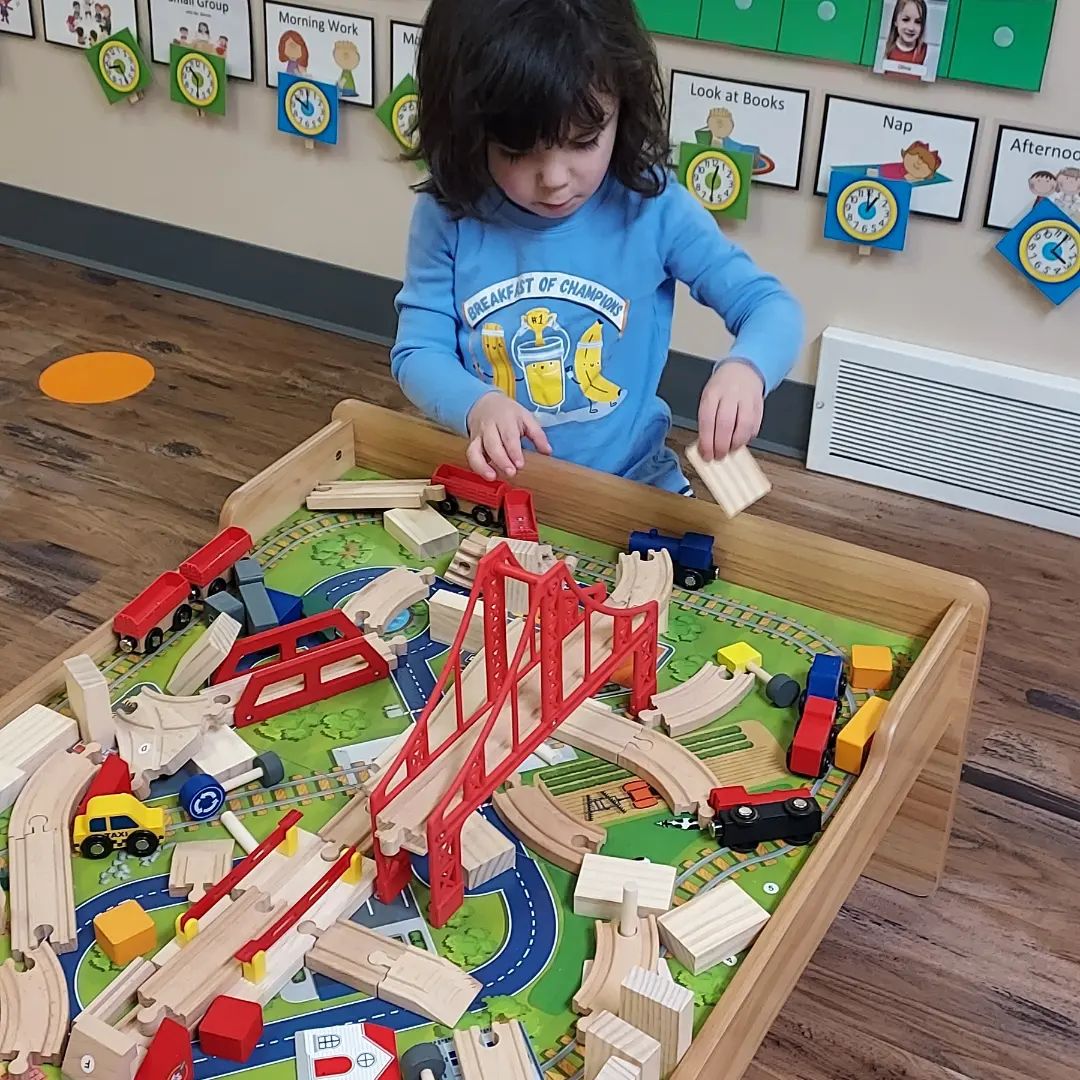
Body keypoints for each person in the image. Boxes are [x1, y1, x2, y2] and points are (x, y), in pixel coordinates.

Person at [390, 0, 802, 492]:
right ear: (464, 130)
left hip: (633, 477)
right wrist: (475, 404)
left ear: (623, 108)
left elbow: (768, 306)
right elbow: (418, 350)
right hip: (499, 477)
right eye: (517, 152)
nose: (555, 180)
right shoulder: (449, 214)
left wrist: (746, 371)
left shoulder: (653, 207)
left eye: (584, 141)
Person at [884, 0, 928, 66]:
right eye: (905, 20)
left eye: (918, 22)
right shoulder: (885, 48)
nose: (911, 28)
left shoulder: (926, 51)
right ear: (895, 20)